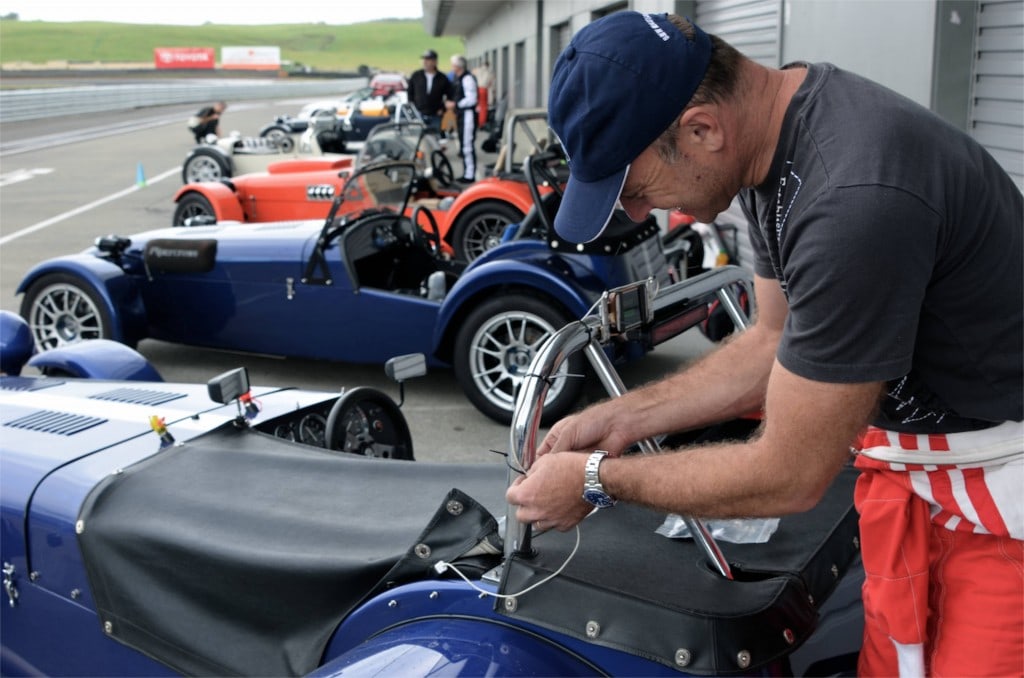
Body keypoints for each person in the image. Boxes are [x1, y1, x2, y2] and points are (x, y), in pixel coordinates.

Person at [505, 11, 1022, 678]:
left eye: (633, 189)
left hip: (1001, 498)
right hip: (923, 476)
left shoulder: (851, 200)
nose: (639, 214)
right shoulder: (771, 146)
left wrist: (598, 481)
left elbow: (791, 473)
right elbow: (774, 339)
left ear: (701, 129)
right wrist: (622, 418)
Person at [445, 54, 479, 183]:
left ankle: (470, 174)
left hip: (467, 115)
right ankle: (467, 172)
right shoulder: (458, 78)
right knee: (463, 144)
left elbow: (471, 99)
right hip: (461, 115)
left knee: (467, 145)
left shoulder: (467, 78)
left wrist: (456, 104)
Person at [406, 49, 450, 132]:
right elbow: (410, 93)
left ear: (435, 62)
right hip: (418, 114)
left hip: (435, 115)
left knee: (434, 138)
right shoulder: (416, 76)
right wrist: (412, 109)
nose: (425, 62)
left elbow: (449, 95)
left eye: (428, 60)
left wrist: (443, 109)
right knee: (419, 139)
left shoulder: (442, 78)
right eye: (424, 60)